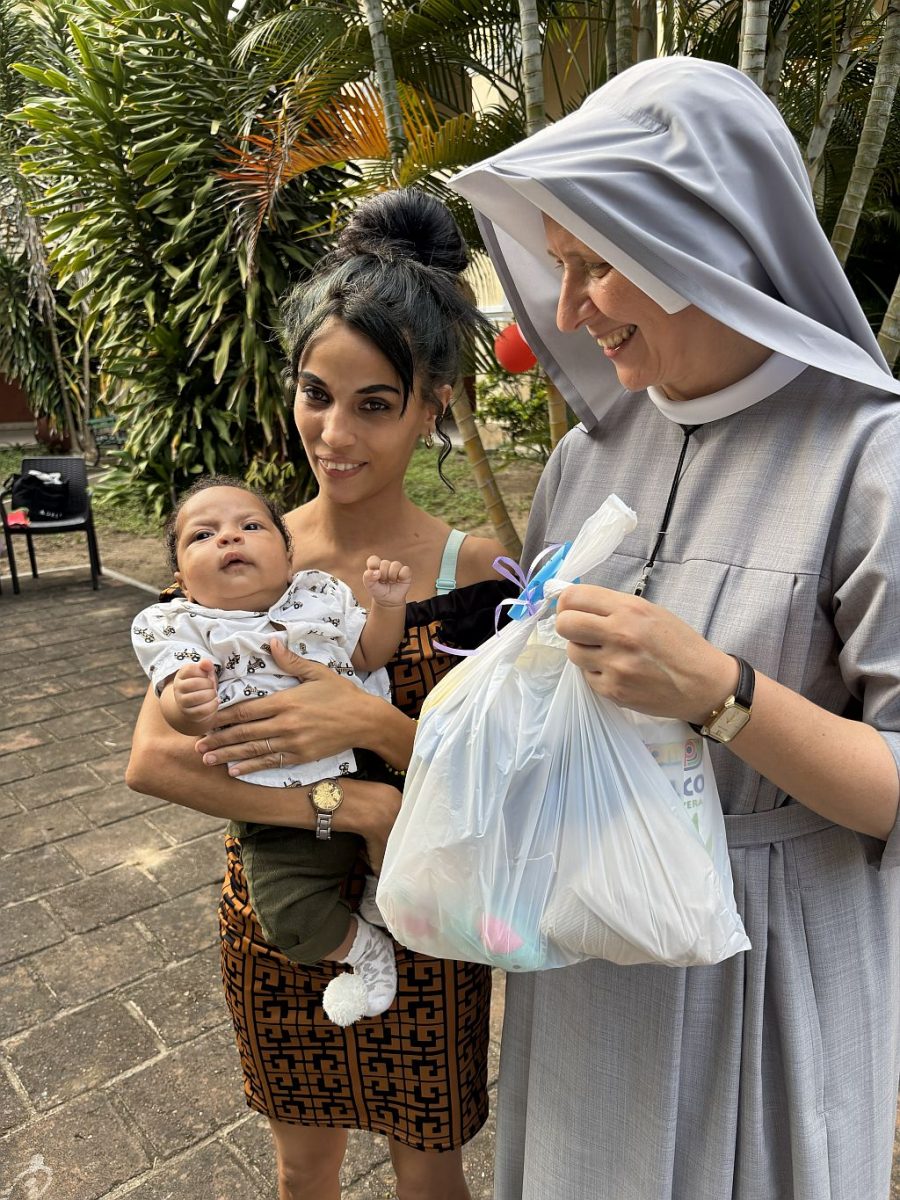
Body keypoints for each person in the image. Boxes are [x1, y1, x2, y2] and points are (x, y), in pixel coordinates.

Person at [448, 56, 900, 1200]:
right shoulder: (587, 455)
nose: (567, 310)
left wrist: (722, 694)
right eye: (558, 265)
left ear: (708, 240)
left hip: (771, 964)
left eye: (595, 264)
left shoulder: (870, 460)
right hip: (588, 946)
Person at [126, 189, 513, 1200]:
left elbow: (510, 778)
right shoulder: (244, 554)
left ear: (434, 403)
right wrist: (350, 804)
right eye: (315, 394)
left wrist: (374, 727)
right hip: (277, 922)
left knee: (431, 1170)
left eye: (374, 404)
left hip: (425, 924)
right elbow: (154, 759)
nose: (333, 434)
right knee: (303, 1173)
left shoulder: (480, 575)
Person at [131, 476, 414, 1026]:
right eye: (203, 535)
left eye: (250, 526)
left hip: (367, 763)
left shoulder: (320, 596)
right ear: (181, 581)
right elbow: (170, 717)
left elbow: (368, 653)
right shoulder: (179, 626)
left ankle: (381, 890)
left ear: (288, 557)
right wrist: (186, 703)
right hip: (273, 809)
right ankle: (364, 951)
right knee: (289, 918)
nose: (228, 538)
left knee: (412, 857)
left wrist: (386, 605)